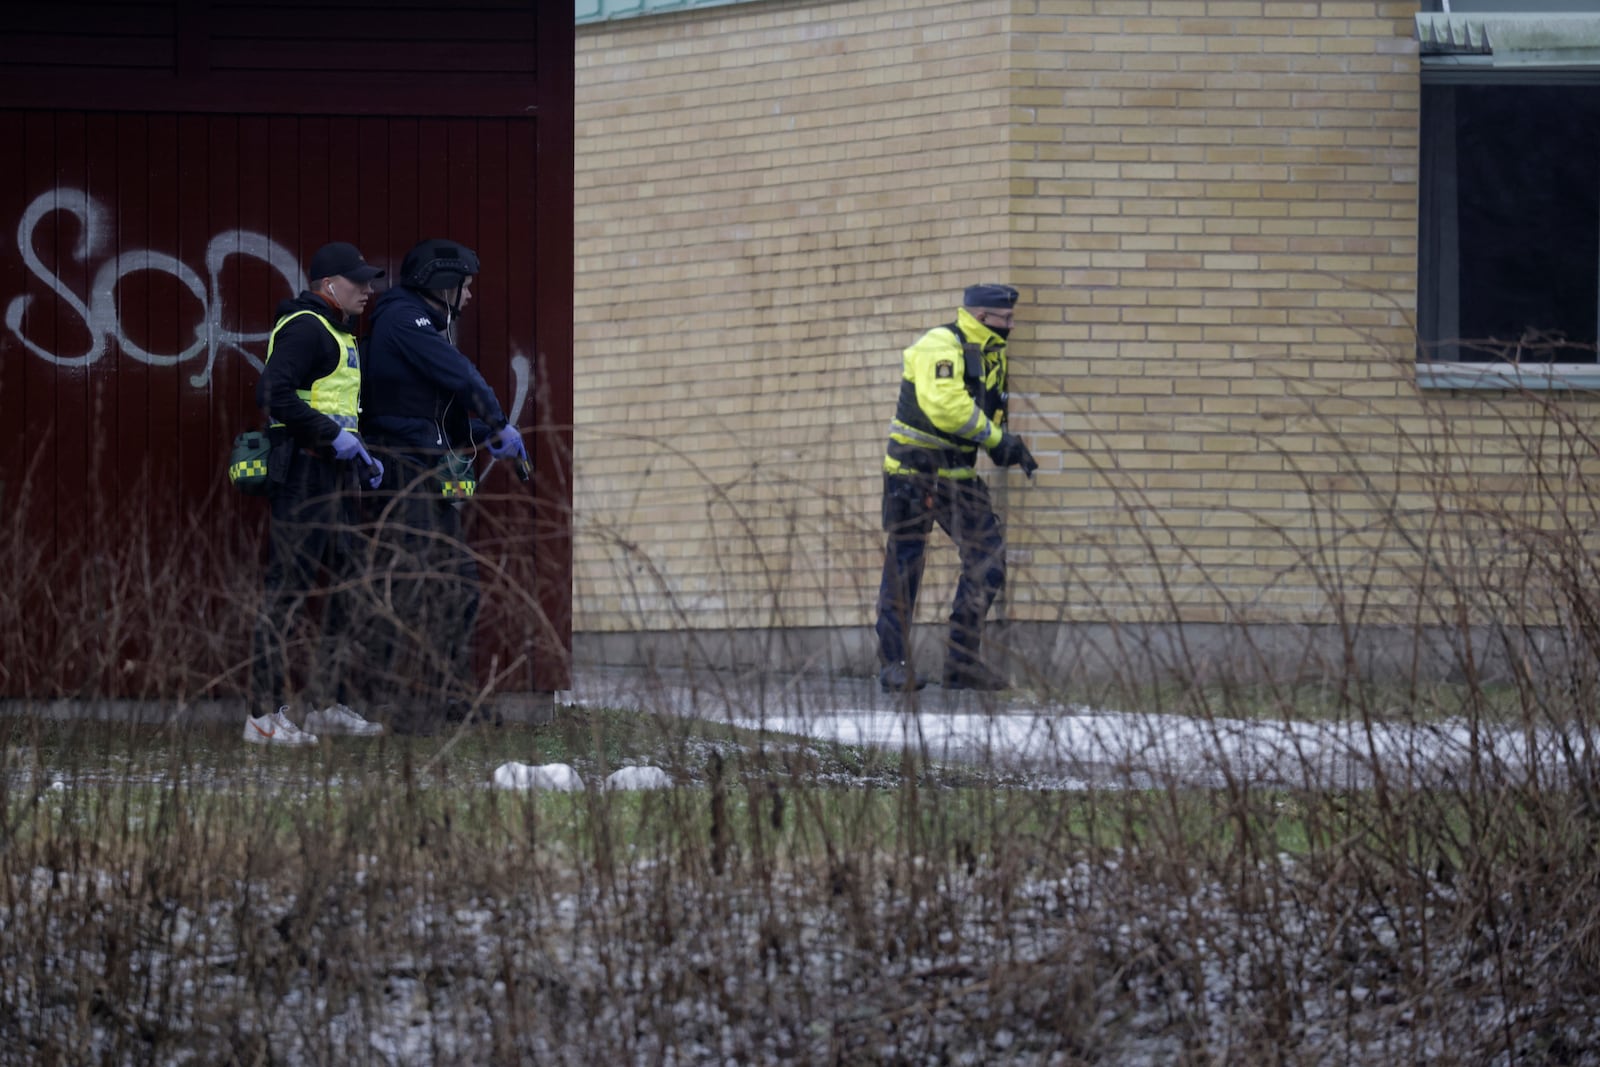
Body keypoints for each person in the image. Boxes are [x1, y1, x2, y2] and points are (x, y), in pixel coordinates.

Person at [359, 238, 527, 733]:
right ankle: (399, 704)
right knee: (413, 586)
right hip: (403, 471)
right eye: (466, 287)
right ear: (442, 284)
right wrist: (497, 419)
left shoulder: (424, 325)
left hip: (428, 467)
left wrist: (482, 435)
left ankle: (452, 696)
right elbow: (461, 377)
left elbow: (435, 413)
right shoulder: (401, 319)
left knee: (457, 586)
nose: (470, 297)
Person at [246, 241, 388, 744]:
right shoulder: (307, 327)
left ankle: (329, 703)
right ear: (329, 285)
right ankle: (262, 719)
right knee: (286, 594)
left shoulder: (337, 331)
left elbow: (335, 407)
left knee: (349, 588)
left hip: (333, 478)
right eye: (359, 282)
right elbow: (273, 394)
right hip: (303, 477)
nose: (368, 290)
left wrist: (361, 455)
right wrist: (332, 437)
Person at [875, 283, 1038, 693]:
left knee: (988, 561)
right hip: (914, 473)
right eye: (1006, 319)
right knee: (905, 566)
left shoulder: (990, 356)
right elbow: (946, 407)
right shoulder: (940, 344)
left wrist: (1005, 445)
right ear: (983, 317)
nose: (1012, 325)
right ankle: (894, 665)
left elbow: (986, 411)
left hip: (958, 476)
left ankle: (961, 663)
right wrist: (997, 440)